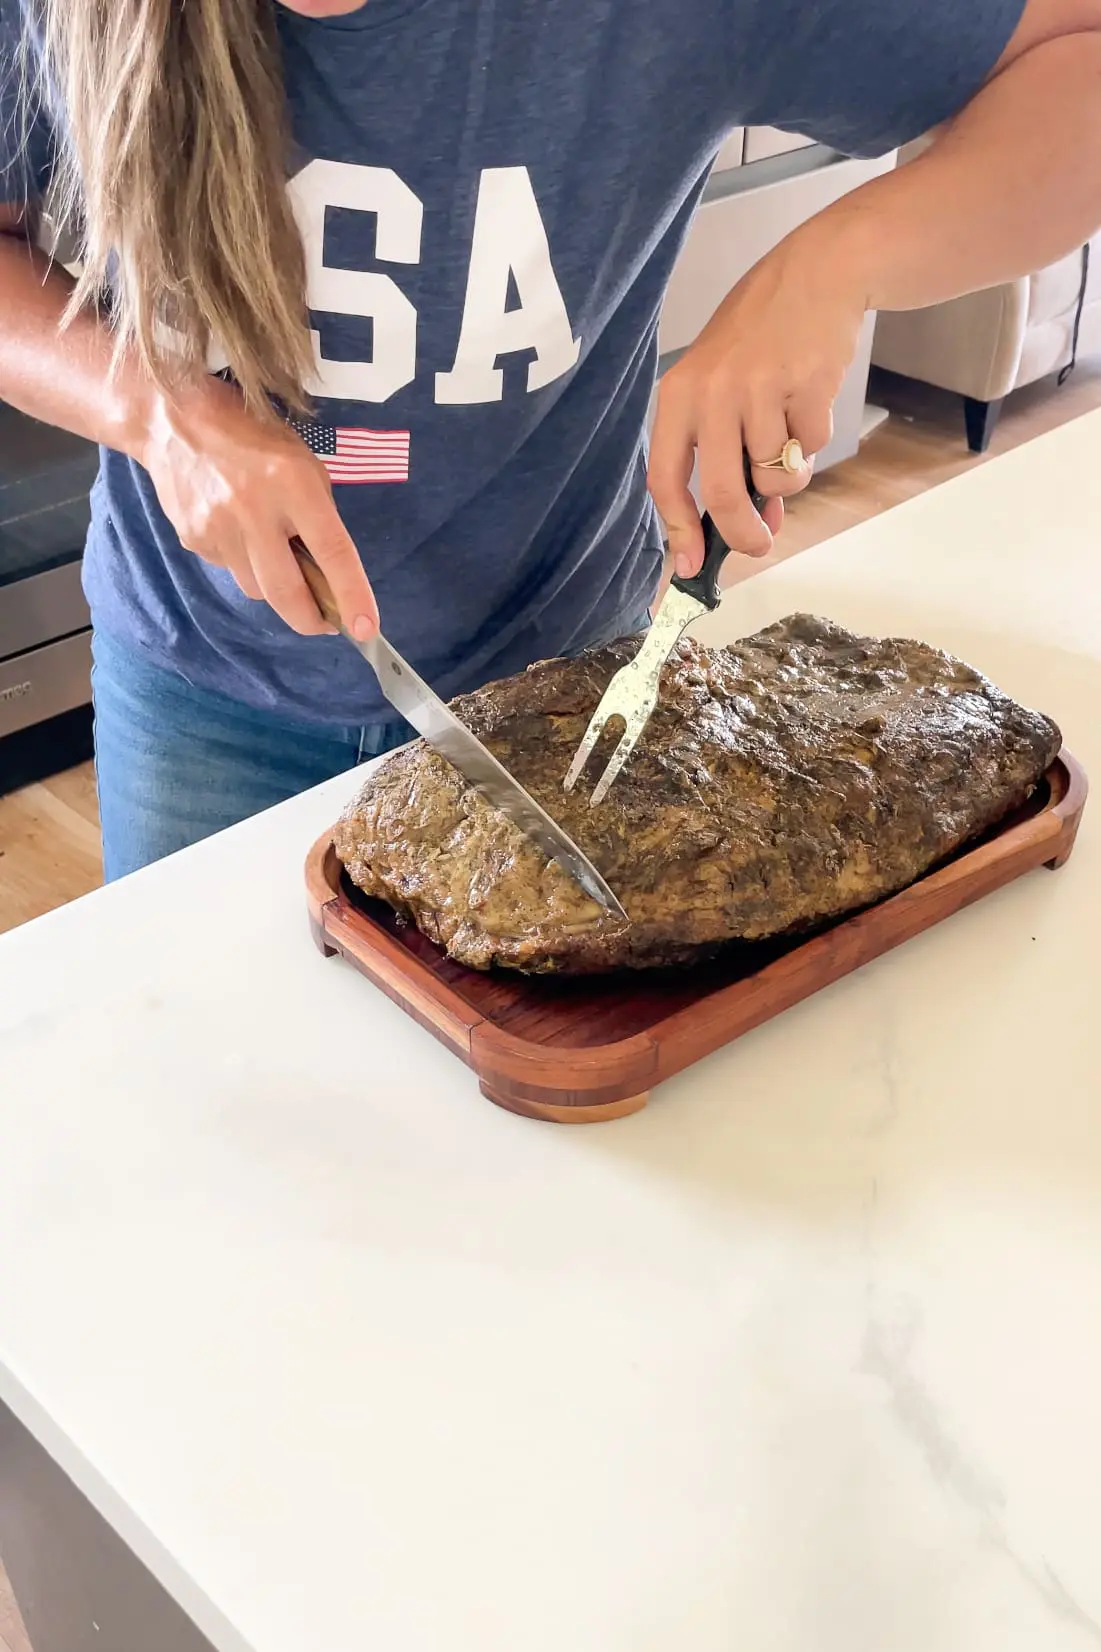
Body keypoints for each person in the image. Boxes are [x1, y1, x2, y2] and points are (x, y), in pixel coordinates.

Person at [1, 0, 1099, 880]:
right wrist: (154, 409)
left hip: (564, 685)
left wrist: (834, 264)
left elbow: (1076, 60)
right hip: (200, 689)